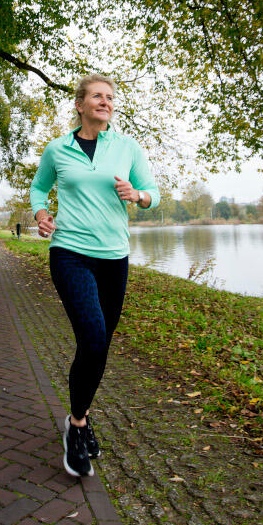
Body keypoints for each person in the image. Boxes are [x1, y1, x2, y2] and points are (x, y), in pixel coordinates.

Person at [30, 73, 160, 478]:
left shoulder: (127, 147)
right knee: (91, 335)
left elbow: (153, 193)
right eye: (97, 97)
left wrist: (138, 196)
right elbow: (39, 188)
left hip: (114, 257)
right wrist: (41, 213)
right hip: (69, 252)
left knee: (100, 345)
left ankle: (77, 417)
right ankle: (79, 429)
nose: (105, 102)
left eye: (110, 97)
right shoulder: (57, 149)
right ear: (80, 105)